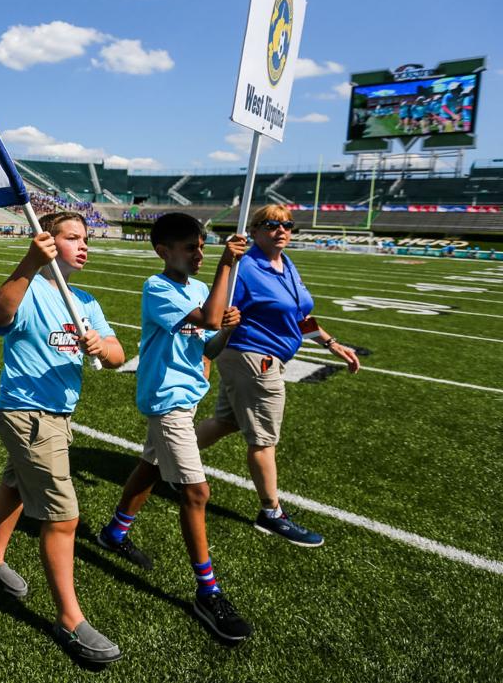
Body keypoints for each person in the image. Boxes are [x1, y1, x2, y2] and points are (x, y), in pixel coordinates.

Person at [96, 212, 252, 641]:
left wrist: (227, 332)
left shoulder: (200, 289)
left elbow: (210, 341)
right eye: (190, 248)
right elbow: (206, 320)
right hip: (166, 401)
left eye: (203, 247)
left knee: (150, 466)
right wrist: (225, 266)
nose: (199, 254)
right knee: (196, 492)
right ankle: (208, 592)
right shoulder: (158, 287)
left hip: (185, 397)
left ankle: (114, 532)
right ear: (164, 251)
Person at [0, 211, 125, 667]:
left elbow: (118, 353)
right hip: (27, 412)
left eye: (86, 239)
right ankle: (69, 619)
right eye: (73, 238)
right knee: (63, 516)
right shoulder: (31, 288)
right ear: (47, 241)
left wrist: (103, 348)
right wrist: (26, 264)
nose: (84, 245)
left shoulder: (84, 300)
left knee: (15, 487)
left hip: (59, 416)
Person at [195, 205, 360, 546]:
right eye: (271, 224)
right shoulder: (247, 268)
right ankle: (271, 513)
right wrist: (227, 262)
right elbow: (217, 312)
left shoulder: (285, 264)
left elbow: (300, 315)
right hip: (253, 358)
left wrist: (332, 344)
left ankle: (169, 459)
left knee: (227, 421)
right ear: (253, 231)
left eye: (287, 225)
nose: (281, 230)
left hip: (262, 358)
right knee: (263, 441)